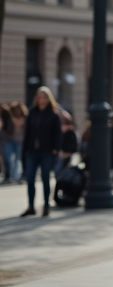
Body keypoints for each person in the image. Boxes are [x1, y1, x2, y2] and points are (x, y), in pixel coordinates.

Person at [22, 87, 63, 217]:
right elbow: (27, 133)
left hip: (47, 152)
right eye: (39, 97)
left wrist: (55, 149)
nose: (41, 99)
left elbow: (58, 134)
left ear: (48, 99)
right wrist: (25, 150)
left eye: (44, 97)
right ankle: (31, 206)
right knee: (30, 179)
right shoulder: (32, 113)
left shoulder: (53, 114)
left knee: (46, 178)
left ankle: (46, 206)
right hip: (32, 151)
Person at [5, 102, 27, 186]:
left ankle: (16, 176)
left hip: (20, 141)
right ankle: (11, 175)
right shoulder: (9, 117)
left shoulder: (25, 117)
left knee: (18, 159)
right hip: (10, 139)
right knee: (9, 158)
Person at [56, 112, 79, 177]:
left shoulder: (71, 132)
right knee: (58, 172)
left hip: (67, 155)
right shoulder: (60, 131)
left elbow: (73, 146)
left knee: (62, 172)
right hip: (61, 155)